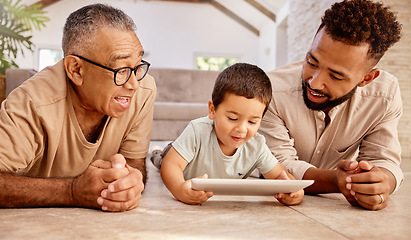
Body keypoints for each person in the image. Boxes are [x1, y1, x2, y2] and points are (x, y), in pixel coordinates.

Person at [0, 4, 156, 212]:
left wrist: (132, 179)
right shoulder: (31, 102)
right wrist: (72, 191)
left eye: (137, 67)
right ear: (76, 70)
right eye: (121, 69)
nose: (134, 84)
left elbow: (134, 162)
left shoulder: (143, 90)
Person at [259, 0, 403, 211]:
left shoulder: (384, 95)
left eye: (336, 76)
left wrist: (381, 182)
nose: (314, 82)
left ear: (366, 78)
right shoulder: (270, 89)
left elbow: (384, 160)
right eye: (312, 62)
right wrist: (336, 180)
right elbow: (278, 164)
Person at [157, 63, 304, 205]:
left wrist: (293, 190)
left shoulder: (257, 145)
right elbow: (171, 165)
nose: (242, 129)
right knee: (162, 159)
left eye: (252, 122)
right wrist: (179, 189)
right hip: (179, 156)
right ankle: (156, 153)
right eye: (232, 118)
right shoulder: (198, 130)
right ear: (213, 110)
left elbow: (280, 175)